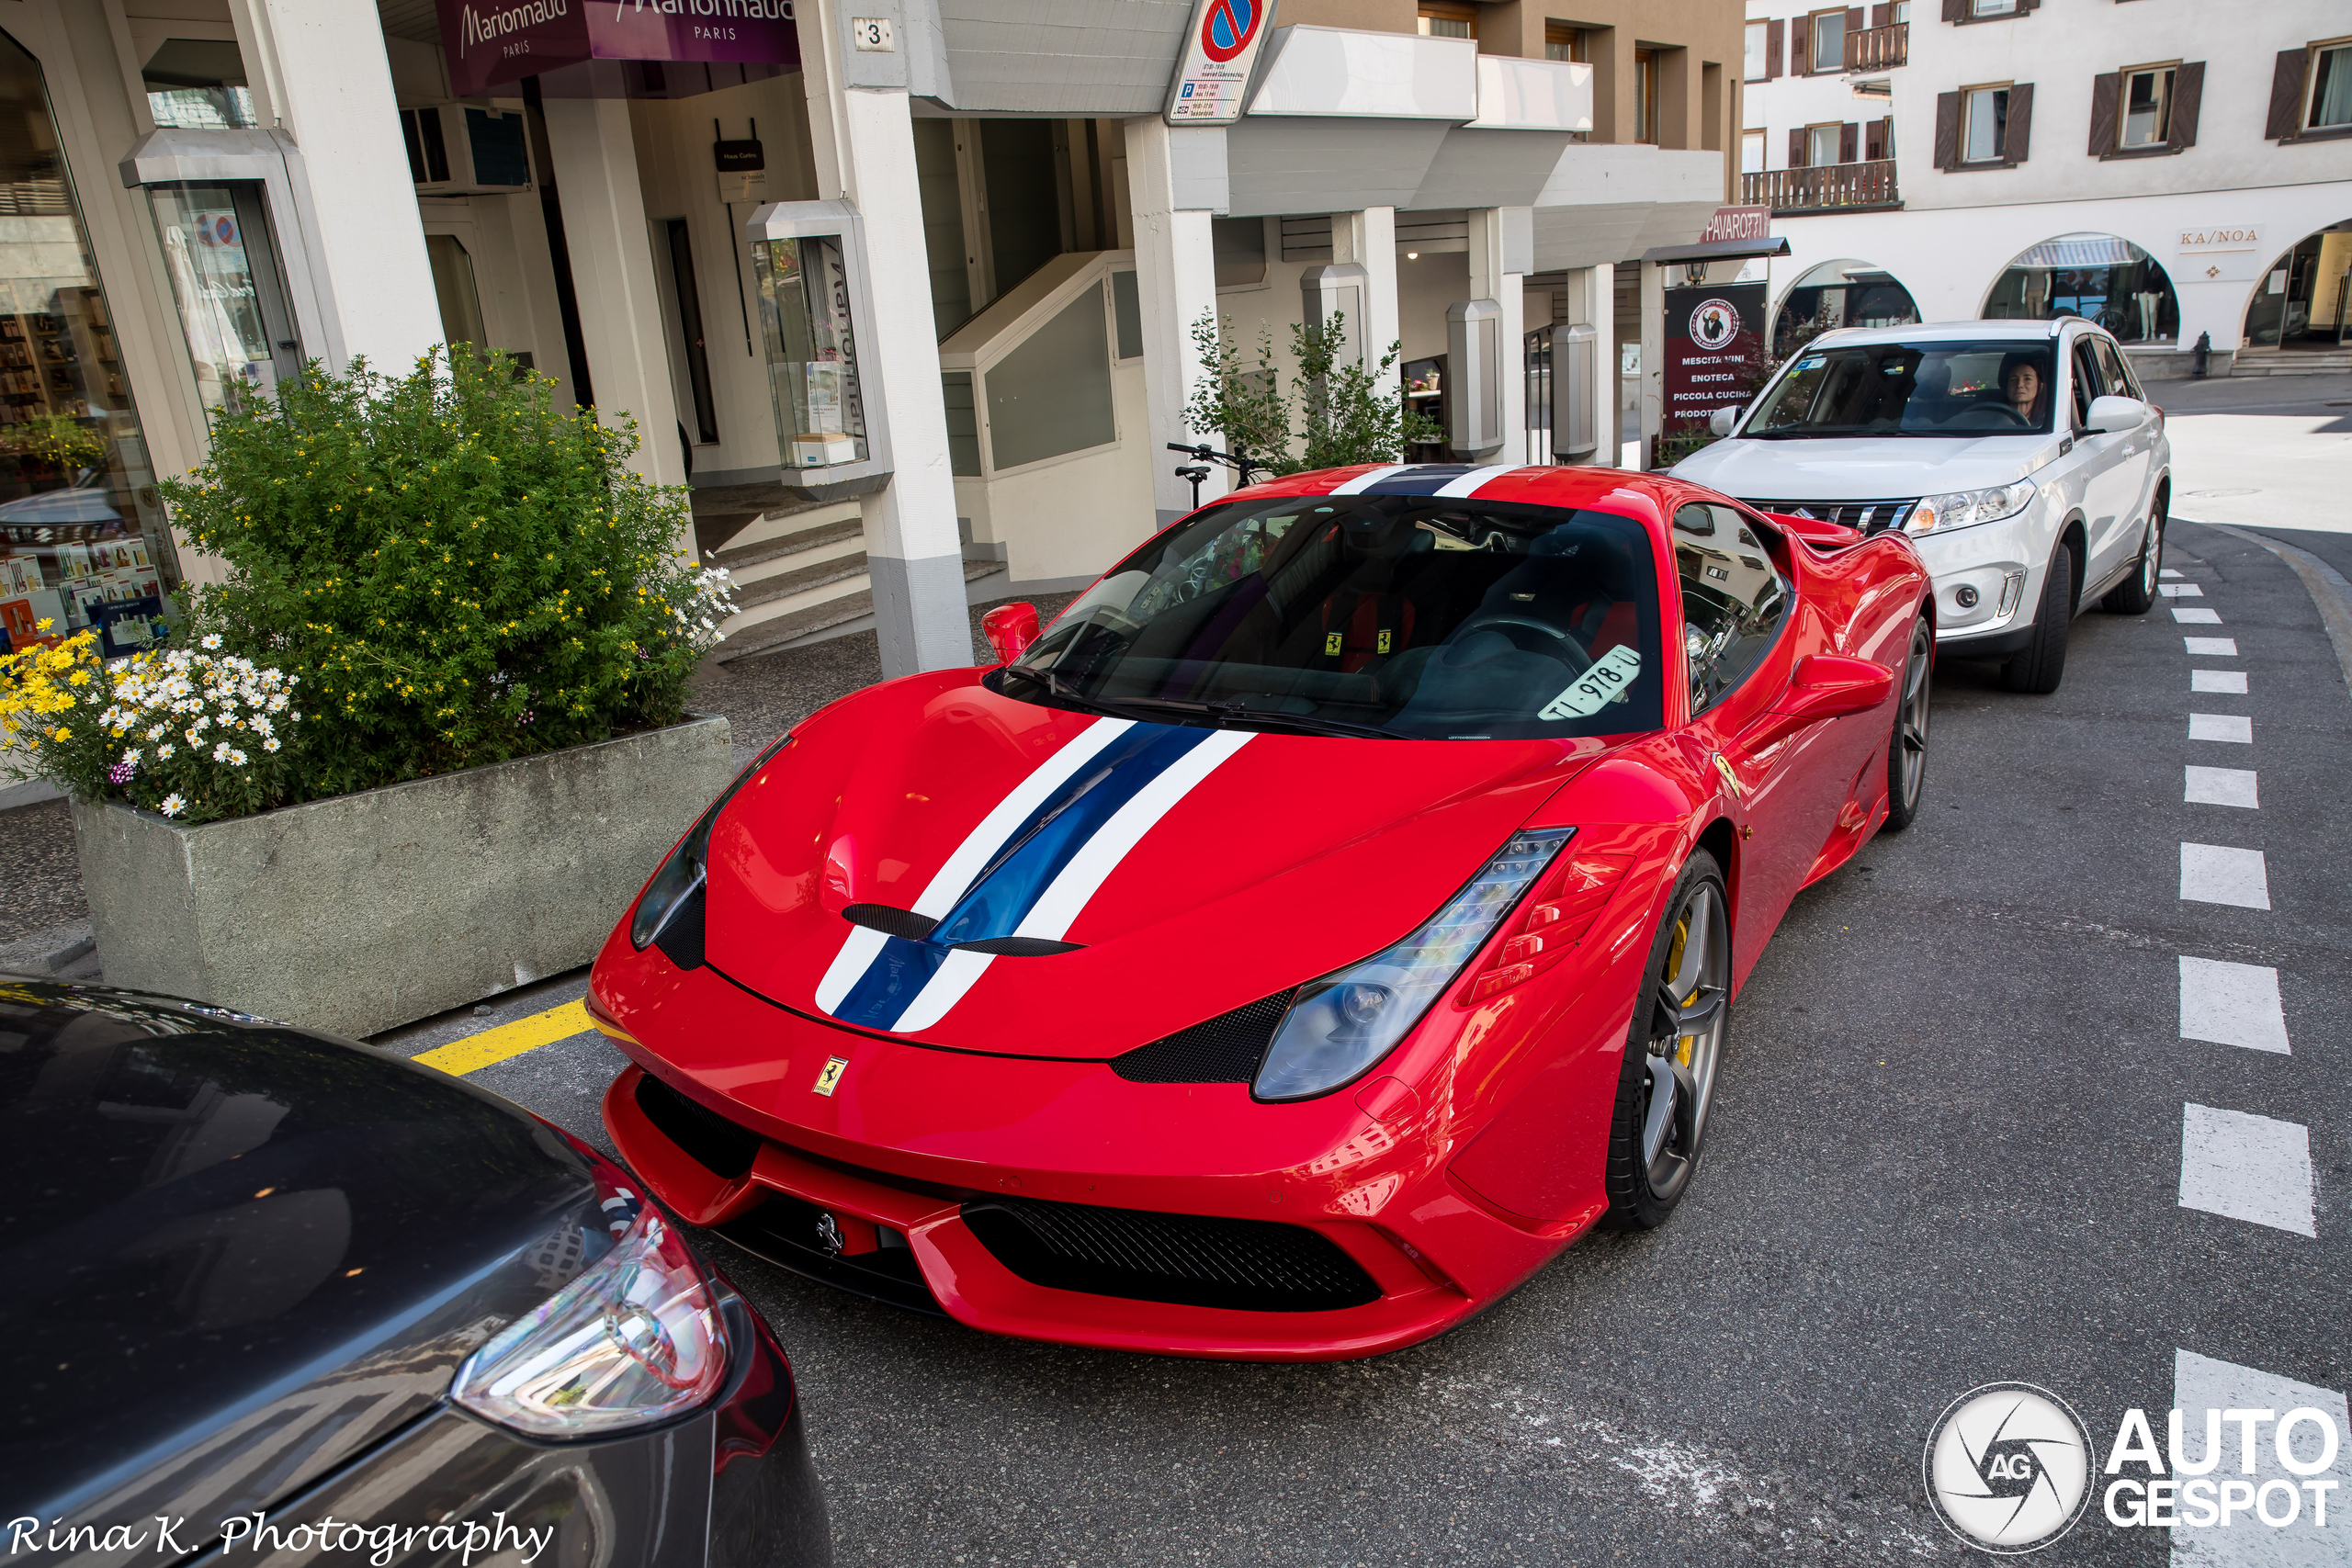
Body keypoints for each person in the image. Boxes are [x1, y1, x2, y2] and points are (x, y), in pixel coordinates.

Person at [1996, 353, 2050, 426]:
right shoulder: (1994, 419)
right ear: (2006, 386)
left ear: (2040, 387)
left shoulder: (2047, 423)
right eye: (2013, 379)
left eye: (2027, 379)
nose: (2019, 385)